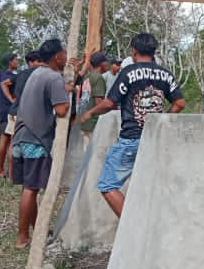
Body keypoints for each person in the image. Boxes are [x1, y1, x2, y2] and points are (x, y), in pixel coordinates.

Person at [81, 33, 185, 217]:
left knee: (107, 184)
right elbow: (179, 103)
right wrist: (160, 121)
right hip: (155, 141)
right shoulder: (165, 74)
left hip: (131, 138)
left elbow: (110, 103)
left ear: (134, 51)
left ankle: (132, 225)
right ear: (154, 52)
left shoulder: (128, 73)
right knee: (150, 185)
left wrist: (90, 112)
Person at [10, 39, 71, 248]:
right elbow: (62, 109)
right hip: (35, 140)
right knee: (31, 188)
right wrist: (68, 94)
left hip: (20, 137)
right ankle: (22, 236)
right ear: (56, 56)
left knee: (29, 187)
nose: (65, 56)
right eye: (63, 53)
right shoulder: (53, 77)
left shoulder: (36, 73)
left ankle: (37, 230)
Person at [80, 52, 111, 142]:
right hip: (93, 123)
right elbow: (99, 103)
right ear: (102, 63)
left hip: (84, 121)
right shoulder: (99, 78)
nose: (107, 64)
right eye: (106, 62)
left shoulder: (87, 76)